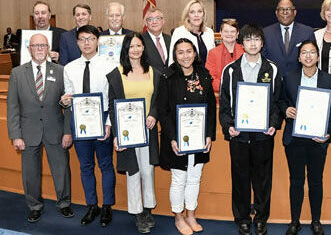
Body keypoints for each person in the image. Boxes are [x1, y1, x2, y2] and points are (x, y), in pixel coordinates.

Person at [219, 24, 283, 235]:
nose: (253, 43)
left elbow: (277, 102)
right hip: (239, 136)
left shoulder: (272, 69)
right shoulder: (230, 70)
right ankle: (243, 218)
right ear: (242, 43)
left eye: (256, 39)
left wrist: (273, 123)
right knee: (240, 178)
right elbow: (225, 104)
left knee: (263, 179)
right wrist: (228, 126)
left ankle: (261, 218)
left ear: (262, 43)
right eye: (248, 40)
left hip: (263, 135)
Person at [7, 34, 73, 223]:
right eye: (35, 45)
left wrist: (68, 131)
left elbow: (68, 104)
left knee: (61, 169)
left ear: (48, 47)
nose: (39, 49)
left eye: (42, 45)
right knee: (30, 172)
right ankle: (34, 206)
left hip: (56, 130)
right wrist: (15, 135)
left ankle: (64, 203)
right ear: (29, 48)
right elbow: (12, 107)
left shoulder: (61, 71)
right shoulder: (17, 73)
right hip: (28, 132)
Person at [158, 38, 216, 235]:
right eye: (180, 52)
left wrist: (209, 134)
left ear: (194, 53)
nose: (185, 56)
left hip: (199, 138)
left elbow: (211, 109)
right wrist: (173, 137)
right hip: (176, 139)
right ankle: (179, 217)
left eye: (188, 51)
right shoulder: (168, 76)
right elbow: (163, 110)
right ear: (175, 56)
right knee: (179, 178)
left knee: (195, 178)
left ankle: (191, 214)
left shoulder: (204, 75)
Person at [281, 40, 331, 235]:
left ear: (317, 56)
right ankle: (294, 221)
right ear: (299, 57)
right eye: (304, 53)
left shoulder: (328, 80)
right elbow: (279, 101)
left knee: (316, 181)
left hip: (317, 140)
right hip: (294, 139)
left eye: (312, 52)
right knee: (296, 180)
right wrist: (286, 110)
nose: (308, 56)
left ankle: (316, 221)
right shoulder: (289, 77)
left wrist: (328, 134)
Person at [62, 25, 116, 227]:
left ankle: (107, 206)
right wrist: (65, 101)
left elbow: (113, 97)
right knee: (86, 166)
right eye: (82, 39)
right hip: (80, 121)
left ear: (97, 41)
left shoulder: (109, 65)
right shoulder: (69, 68)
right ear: (77, 43)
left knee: (105, 164)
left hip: (102, 120)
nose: (86, 43)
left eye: (90, 38)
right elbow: (68, 96)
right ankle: (92, 205)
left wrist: (109, 123)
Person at [107, 32, 161, 234]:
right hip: (127, 132)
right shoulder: (116, 74)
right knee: (133, 172)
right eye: (131, 46)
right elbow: (113, 107)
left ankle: (148, 209)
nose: (136, 49)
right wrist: (116, 135)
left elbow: (158, 100)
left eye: (139, 45)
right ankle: (138, 212)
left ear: (143, 48)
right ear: (126, 49)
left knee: (148, 171)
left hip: (148, 131)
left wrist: (154, 115)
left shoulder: (153, 72)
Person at [262, 0, 316, 76]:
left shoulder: (307, 32)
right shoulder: (266, 33)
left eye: (288, 9)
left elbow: (313, 60)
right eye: (281, 9)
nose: (285, 12)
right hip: (274, 82)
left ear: (295, 12)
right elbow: (262, 59)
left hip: (299, 82)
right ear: (276, 13)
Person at [169, 0, 215, 67]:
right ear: (187, 15)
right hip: (185, 75)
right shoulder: (179, 32)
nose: (196, 15)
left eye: (199, 11)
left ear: (203, 14)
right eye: (192, 12)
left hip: (207, 75)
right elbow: (172, 59)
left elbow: (213, 59)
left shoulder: (209, 32)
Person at [205, 18, 244, 93]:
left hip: (241, 95)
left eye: (232, 31)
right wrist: (228, 86)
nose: (229, 34)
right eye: (226, 31)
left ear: (237, 34)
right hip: (219, 97)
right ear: (221, 33)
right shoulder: (213, 53)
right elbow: (210, 78)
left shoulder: (245, 52)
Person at [142, 9, 171, 74]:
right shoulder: (140, 41)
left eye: (158, 18)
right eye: (150, 19)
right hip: (150, 81)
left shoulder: (170, 39)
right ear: (146, 23)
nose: (154, 22)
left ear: (163, 21)